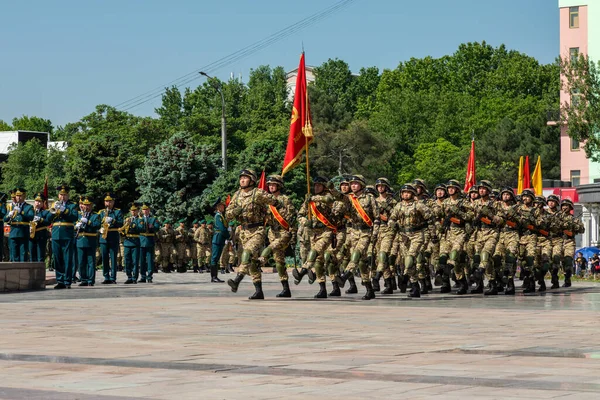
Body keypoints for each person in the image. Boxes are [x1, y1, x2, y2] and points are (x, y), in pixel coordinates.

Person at [226, 169, 279, 300]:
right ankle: (259, 291)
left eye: (245, 178)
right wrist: (235, 212)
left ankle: (237, 280)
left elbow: (276, 202)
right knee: (253, 263)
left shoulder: (258, 193)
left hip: (257, 230)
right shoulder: (237, 195)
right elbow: (227, 214)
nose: (242, 180)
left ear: (252, 180)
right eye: (241, 178)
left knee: (247, 253)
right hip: (243, 232)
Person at [387, 184, 436, 298]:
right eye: (404, 192)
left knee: (410, 257)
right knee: (409, 263)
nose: (406, 194)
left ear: (413, 194)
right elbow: (392, 219)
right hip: (403, 236)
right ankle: (415, 286)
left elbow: (430, 219)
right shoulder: (398, 206)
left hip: (417, 235)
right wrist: (392, 225)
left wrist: (433, 235)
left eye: (408, 192)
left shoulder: (419, 205)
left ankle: (404, 277)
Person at [336, 175, 380, 300]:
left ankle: (346, 274)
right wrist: (332, 190)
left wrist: (375, 233)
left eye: (356, 183)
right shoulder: (349, 199)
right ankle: (369, 289)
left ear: (361, 185)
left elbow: (376, 217)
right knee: (362, 262)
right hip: (353, 232)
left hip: (366, 232)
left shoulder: (369, 198)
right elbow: (339, 198)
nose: (353, 185)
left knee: (357, 253)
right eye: (352, 184)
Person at [259, 176, 296, 296]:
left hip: (283, 232)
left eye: (273, 184)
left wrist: (293, 235)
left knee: (270, 248)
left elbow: (291, 217)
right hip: (272, 232)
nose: (271, 187)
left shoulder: (285, 199)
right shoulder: (267, 201)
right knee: (279, 261)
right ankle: (286, 288)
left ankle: (261, 259)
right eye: (269, 185)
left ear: (279, 186)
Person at [439, 180, 473, 295]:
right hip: (448, 233)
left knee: (454, 254)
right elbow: (439, 214)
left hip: (460, 232)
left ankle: (456, 280)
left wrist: (459, 212)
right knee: (444, 256)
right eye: (449, 188)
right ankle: (459, 282)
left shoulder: (464, 202)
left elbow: (470, 216)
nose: (450, 190)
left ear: (457, 190)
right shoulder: (445, 202)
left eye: (453, 188)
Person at [51, 184, 79, 289]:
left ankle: (67, 280)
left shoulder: (72, 205)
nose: (63, 197)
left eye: (65, 195)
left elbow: (74, 217)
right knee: (57, 258)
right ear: (58, 195)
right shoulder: (54, 204)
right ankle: (60, 280)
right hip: (56, 234)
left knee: (67, 258)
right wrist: (54, 210)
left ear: (68, 195)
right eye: (61, 195)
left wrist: (65, 210)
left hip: (67, 234)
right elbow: (49, 217)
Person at [75, 195, 101, 286]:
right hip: (80, 240)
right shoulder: (79, 215)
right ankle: (83, 279)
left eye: (88, 205)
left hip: (90, 240)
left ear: (92, 205)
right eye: (85, 205)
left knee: (91, 262)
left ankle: (90, 280)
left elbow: (97, 225)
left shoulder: (95, 215)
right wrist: (76, 226)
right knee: (81, 262)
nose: (86, 207)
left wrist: (88, 222)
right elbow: (74, 225)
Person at [98, 193, 124, 284]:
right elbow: (97, 223)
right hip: (104, 237)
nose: (108, 203)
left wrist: (113, 220)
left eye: (109, 201)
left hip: (113, 236)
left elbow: (121, 223)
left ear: (113, 202)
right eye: (106, 201)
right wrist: (99, 229)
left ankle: (113, 277)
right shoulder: (101, 212)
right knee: (104, 257)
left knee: (113, 257)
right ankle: (106, 277)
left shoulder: (117, 211)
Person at [4, 187, 34, 262]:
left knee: (23, 254)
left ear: (24, 196)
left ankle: (23, 273)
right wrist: (9, 215)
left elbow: (31, 217)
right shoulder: (12, 207)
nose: (18, 198)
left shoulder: (29, 207)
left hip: (23, 233)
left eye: (20, 196)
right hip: (13, 233)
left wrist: (21, 212)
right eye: (17, 196)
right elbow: (5, 219)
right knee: (14, 255)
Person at [138, 203, 161, 283]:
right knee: (142, 260)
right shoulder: (139, 219)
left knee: (150, 260)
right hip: (141, 241)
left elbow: (157, 227)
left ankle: (150, 276)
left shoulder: (153, 219)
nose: (145, 211)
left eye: (146, 209)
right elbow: (137, 227)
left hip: (150, 241)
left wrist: (153, 227)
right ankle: (143, 276)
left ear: (149, 210)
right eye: (144, 210)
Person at [210, 198, 229, 283]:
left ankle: (215, 276)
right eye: (221, 206)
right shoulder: (218, 216)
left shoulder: (221, 215)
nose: (223, 207)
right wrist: (228, 235)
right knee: (214, 258)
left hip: (220, 238)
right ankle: (213, 277)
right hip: (218, 238)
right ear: (218, 207)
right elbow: (222, 228)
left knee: (216, 258)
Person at [122, 203, 141, 284]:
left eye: (135, 211)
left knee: (135, 261)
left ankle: (134, 278)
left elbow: (141, 228)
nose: (133, 212)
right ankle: (129, 276)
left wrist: (132, 225)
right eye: (132, 211)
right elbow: (123, 230)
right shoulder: (127, 219)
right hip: (127, 242)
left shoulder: (140, 220)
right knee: (127, 260)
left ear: (137, 211)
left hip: (135, 242)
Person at [29, 192, 51, 263]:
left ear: (42, 203)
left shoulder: (45, 212)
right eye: (36, 201)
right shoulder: (31, 211)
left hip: (41, 235)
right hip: (31, 235)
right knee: (32, 255)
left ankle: (40, 273)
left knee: (40, 256)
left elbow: (48, 222)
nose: (37, 203)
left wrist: (40, 219)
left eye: (39, 201)